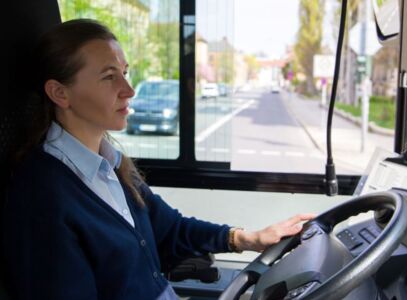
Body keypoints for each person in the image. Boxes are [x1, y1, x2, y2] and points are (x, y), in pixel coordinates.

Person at [2, 19, 315, 300]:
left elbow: (171, 229)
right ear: (60, 93)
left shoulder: (110, 166)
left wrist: (249, 238)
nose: (129, 90)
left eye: (124, 73)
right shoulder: (42, 198)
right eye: (109, 77)